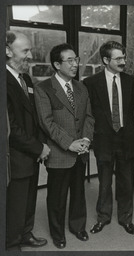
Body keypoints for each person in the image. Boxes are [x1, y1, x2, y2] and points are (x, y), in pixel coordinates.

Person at [34, 43, 94, 249]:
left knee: (78, 193)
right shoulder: (43, 89)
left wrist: (86, 140)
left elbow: (88, 117)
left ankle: (78, 227)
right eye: (69, 60)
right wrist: (70, 144)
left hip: (81, 152)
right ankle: (57, 233)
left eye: (76, 59)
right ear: (57, 64)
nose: (75, 64)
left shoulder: (81, 87)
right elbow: (46, 122)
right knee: (57, 198)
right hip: (60, 153)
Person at [83, 41, 134, 235]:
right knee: (105, 183)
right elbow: (88, 114)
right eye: (118, 58)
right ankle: (103, 217)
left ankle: (126, 219)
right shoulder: (90, 83)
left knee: (126, 181)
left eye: (124, 57)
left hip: (126, 139)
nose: (123, 61)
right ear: (106, 60)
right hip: (104, 140)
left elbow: (130, 112)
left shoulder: (132, 82)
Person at [6, 30, 50, 251]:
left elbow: (34, 116)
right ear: (7, 51)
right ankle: (11, 245)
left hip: (31, 155)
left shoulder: (24, 78)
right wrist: (38, 147)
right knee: (15, 204)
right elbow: (9, 128)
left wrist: (40, 146)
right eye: (25, 50)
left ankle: (25, 233)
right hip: (15, 157)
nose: (30, 55)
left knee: (30, 198)